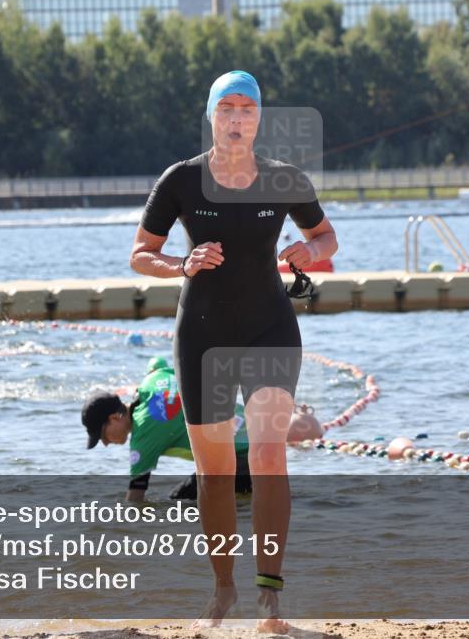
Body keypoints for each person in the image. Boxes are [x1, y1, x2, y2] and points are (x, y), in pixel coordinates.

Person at [129, 70, 337, 633]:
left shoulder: (284, 178)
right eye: (227, 108)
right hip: (201, 332)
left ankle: (270, 595)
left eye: (247, 108)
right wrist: (182, 264)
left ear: (259, 118)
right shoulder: (181, 180)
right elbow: (140, 254)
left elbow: (327, 237)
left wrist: (308, 251)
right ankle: (223, 590)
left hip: (271, 327)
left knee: (269, 456)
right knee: (215, 470)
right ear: (212, 116)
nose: (237, 118)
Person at [82, 357, 252, 502]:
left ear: (114, 418)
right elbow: (158, 363)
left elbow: (135, 498)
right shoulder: (152, 380)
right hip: (262, 435)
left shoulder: (143, 436)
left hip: (246, 460)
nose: (104, 443)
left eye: (102, 435)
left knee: (180, 502)